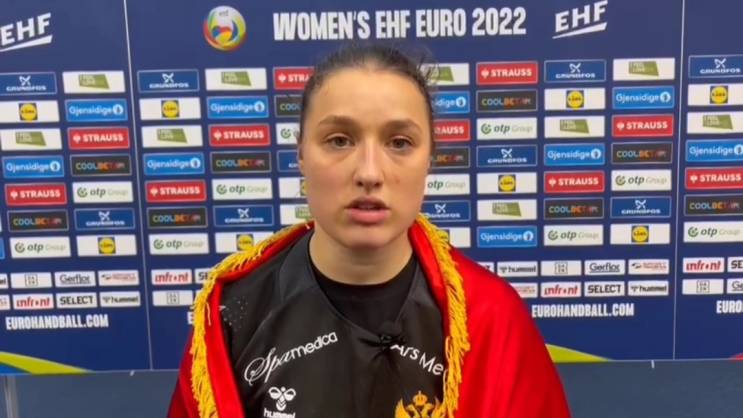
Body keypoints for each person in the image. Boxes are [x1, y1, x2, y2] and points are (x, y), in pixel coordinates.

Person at [168, 44, 570, 418]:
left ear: (430, 158)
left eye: (400, 142)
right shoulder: (232, 315)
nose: (369, 172)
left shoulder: (490, 316)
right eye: (339, 140)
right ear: (301, 154)